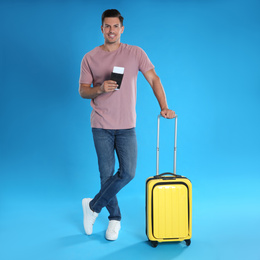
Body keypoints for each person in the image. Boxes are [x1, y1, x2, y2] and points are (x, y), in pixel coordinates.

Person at [79, 9, 175, 241]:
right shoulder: (90, 57)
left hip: (126, 126)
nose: (111, 30)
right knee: (106, 174)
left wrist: (164, 106)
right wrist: (100, 88)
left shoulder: (135, 53)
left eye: (115, 26)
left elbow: (154, 79)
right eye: (107, 26)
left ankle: (92, 206)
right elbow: (83, 90)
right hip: (101, 124)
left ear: (122, 29)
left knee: (128, 172)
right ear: (101, 29)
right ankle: (115, 219)